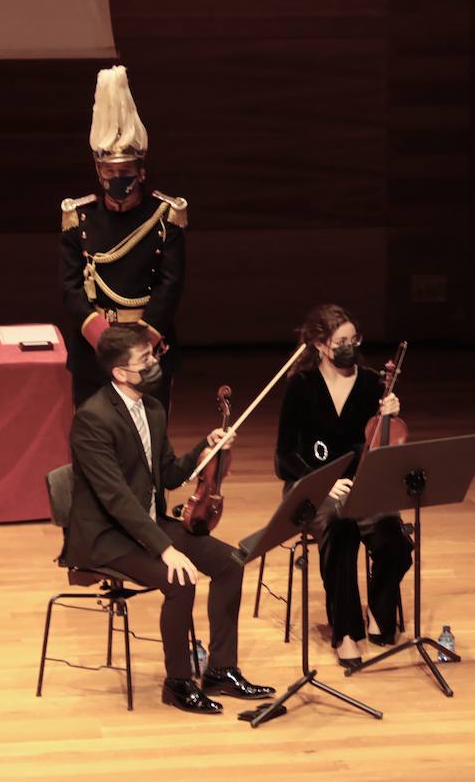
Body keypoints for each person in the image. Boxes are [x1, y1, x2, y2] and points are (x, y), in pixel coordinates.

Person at [66, 324, 274, 714]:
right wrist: (166, 548)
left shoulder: (153, 409)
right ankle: (177, 681)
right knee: (180, 579)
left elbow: (168, 473)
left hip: (145, 524)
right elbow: (116, 500)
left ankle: (221, 669)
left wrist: (204, 449)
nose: (154, 363)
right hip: (106, 536)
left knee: (231, 563)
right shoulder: (92, 419)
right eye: (144, 360)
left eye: (152, 356)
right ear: (120, 373)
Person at [274, 303, 411, 669]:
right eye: (341, 341)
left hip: (361, 483)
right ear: (320, 345)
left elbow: (382, 449)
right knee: (340, 528)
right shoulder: (300, 386)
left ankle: (380, 611)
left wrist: (390, 417)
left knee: (395, 540)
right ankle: (345, 632)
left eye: (354, 339)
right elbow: (283, 458)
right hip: (313, 486)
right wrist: (322, 484)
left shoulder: (373, 383)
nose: (350, 346)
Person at [60, 65, 187, 409]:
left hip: (146, 345)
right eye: (110, 171)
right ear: (99, 172)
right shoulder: (79, 217)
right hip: (94, 348)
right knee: (93, 443)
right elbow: (71, 287)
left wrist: (145, 338)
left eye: (126, 172)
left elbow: (170, 283)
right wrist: (102, 337)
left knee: (147, 441)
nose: (118, 178)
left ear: (141, 172)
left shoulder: (163, 217)